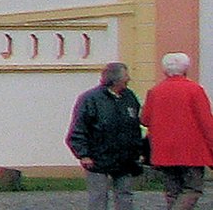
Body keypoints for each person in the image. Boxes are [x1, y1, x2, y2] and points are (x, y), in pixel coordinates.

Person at [71, 62, 147, 209]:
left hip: (125, 157)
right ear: (115, 79)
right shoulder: (90, 99)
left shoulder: (129, 97)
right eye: (126, 76)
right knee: (98, 197)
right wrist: (83, 154)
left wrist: (139, 150)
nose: (129, 79)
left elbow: (135, 127)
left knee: (125, 196)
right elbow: (79, 128)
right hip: (98, 156)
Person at [144, 53, 213, 209]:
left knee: (172, 191)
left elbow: (145, 119)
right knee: (192, 189)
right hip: (191, 151)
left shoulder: (155, 91)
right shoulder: (195, 90)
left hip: (164, 150)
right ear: (186, 69)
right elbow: (206, 123)